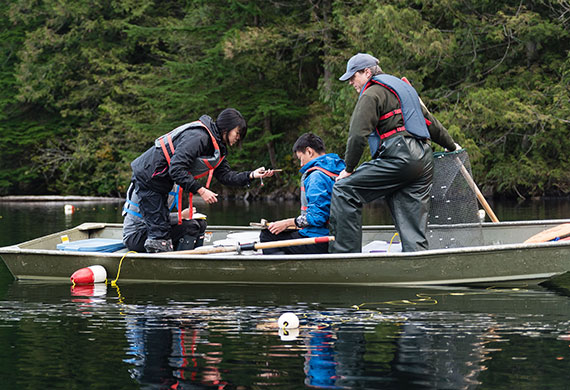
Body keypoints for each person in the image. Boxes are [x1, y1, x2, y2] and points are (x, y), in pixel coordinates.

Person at [329, 53, 459, 253]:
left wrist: (348, 169)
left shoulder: (371, 93)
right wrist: (451, 146)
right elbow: (430, 123)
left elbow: (357, 135)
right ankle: (418, 264)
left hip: (401, 157)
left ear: (367, 72)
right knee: (411, 223)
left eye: (353, 77)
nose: (351, 83)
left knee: (344, 189)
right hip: (423, 160)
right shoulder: (404, 89)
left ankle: (345, 256)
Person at [129, 108, 274, 253]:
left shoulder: (217, 147)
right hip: (149, 177)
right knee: (159, 235)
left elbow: (225, 175)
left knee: (182, 227)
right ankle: (163, 265)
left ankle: (186, 263)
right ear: (226, 128)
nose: (238, 138)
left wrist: (252, 175)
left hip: (161, 182)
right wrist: (201, 190)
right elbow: (176, 169)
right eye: (237, 133)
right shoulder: (198, 137)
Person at [260, 133, 345, 254]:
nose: (301, 165)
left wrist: (287, 223)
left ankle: (284, 270)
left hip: (319, 241)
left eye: (301, 158)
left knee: (267, 235)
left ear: (309, 151)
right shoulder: (339, 170)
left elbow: (318, 217)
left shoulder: (316, 176)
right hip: (337, 237)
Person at [122, 183, 207, 252]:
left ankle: (196, 258)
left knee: (201, 223)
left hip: (155, 230)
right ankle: (179, 264)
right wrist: (180, 216)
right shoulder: (149, 185)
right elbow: (154, 219)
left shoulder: (171, 185)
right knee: (191, 226)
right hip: (136, 237)